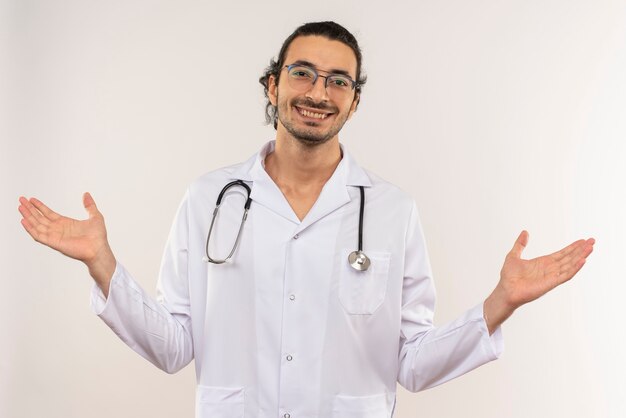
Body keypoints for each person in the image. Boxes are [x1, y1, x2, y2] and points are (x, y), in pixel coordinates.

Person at [18, 21, 594, 418]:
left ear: (354, 100)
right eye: (303, 73)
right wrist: (103, 265)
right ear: (273, 84)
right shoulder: (209, 198)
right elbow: (172, 346)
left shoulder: (391, 210)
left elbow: (412, 365)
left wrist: (501, 303)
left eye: (339, 80)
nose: (320, 91)